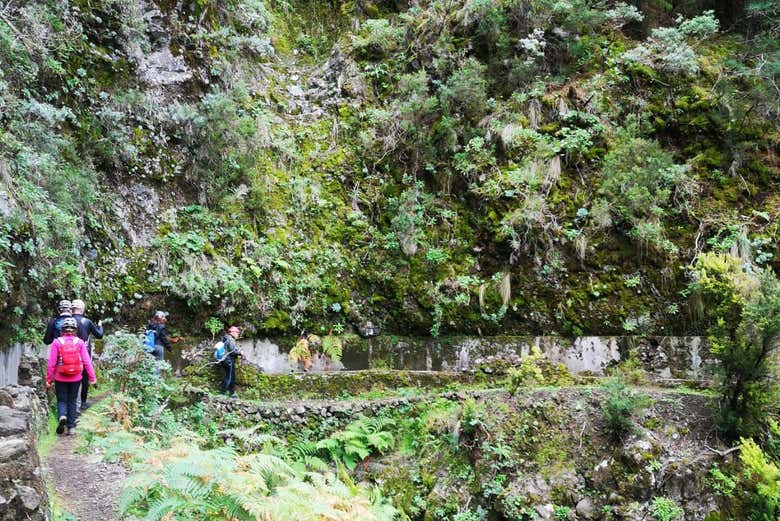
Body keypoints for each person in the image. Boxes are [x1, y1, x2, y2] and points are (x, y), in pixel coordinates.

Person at [46, 317, 97, 435]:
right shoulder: (79, 342)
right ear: (76, 330)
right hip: (76, 377)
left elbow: (51, 363)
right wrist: (92, 378)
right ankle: (71, 426)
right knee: (73, 400)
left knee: (62, 400)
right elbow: (87, 361)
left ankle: (62, 416)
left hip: (60, 377)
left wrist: (49, 379)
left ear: (62, 330)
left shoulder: (57, 342)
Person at [71, 299, 104, 410]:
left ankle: (70, 403)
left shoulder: (67, 321)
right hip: (84, 353)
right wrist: (100, 325)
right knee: (84, 378)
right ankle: (83, 403)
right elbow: (99, 335)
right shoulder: (87, 322)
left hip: (68, 354)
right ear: (82, 309)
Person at [219, 326, 241, 397]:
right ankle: (222, 393)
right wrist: (240, 353)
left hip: (224, 359)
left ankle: (232, 393)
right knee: (229, 377)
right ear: (233, 332)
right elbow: (233, 351)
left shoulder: (225, 338)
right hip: (229, 360)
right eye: (237, 333)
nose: (238, 334)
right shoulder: (230, 339)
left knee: (231, 376)